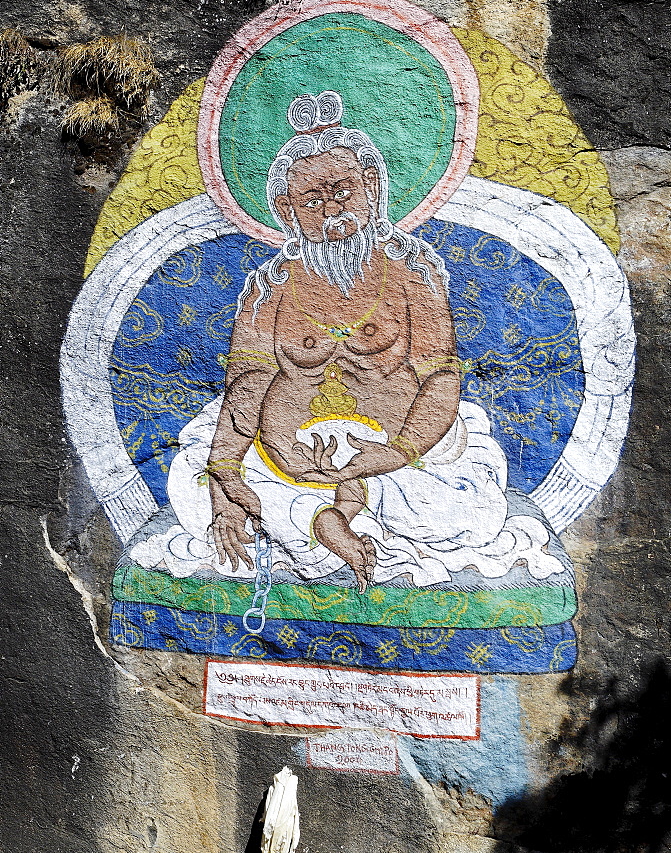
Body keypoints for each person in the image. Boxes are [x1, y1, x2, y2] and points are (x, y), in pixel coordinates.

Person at [132, 91, 562, 589]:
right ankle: (322, 521)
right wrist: (227, 476)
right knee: (194, 477)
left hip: (395, 458)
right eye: (311, 201)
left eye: (342, 192)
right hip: (285, 462)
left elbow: (441, 384)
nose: (331, 211)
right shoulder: (268, 290)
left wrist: (395, 452)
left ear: (372, 188)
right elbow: (245, 393)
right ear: (285, 210)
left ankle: (316, 518)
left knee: (469, 510)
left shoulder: (412, 276)